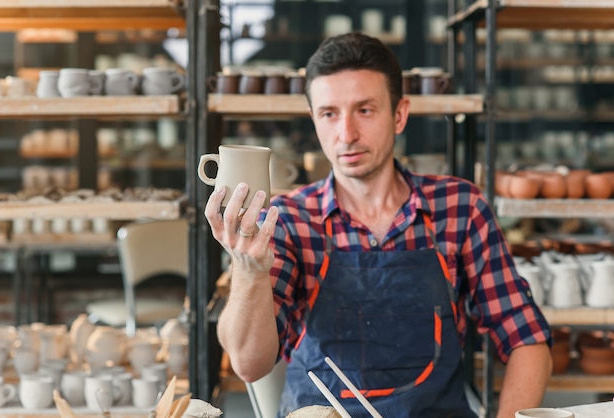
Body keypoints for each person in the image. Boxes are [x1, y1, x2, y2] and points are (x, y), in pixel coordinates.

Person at [205, 32, 552, 418]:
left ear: (399, 114)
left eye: (365, 110)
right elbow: (249, 364)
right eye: (329, 113)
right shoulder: (287, 220)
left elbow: (527, 338)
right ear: (314, 120)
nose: (347, 134)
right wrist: (248, 269)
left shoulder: (459, 207)